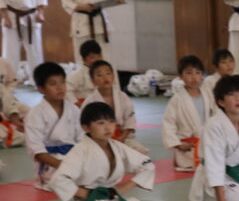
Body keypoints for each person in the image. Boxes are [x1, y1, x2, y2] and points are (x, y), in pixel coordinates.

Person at [49, 102, 167, 201]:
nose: (108, 127)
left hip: (114, 200)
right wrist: (85, 193)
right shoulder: (80, 151)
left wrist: (123, 188)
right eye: (101, 123)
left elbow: (147, 165)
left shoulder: (117, 147)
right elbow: (58, 179)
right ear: (86, 127)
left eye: (111, 122)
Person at [24, 62, 81, 190]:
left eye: (62, 82)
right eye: (53, 84)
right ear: (40, 89)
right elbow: (36, 150)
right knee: (61, 180)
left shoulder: (73, 110)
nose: (60, 87)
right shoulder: (35, 114)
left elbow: (82, 139)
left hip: (73, 156)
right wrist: (62, 164)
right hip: (50, 162)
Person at [81, 60, 148, 155]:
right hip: (99, 141)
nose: (105, 77)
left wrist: (122, 138)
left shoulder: (122, 97)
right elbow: (86, 127)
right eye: (99, 75)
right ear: (93, 81)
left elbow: (130, 120)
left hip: (122, 137)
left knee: (141, 153)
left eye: (108, 73)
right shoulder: (90, 101)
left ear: (113, 76)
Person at [163, 55, 215, 172]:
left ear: (202, 75)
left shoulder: (208, 96)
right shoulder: (177, 100)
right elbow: (168, 123)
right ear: (181, 76)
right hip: (187, 147)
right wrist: (177, 144)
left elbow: (215, 117)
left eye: (198, 73)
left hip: (206, 143)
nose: (194, 77)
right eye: (189, 73)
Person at [202, 48, 239, 114]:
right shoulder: (209, 81)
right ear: (215, 67)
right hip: (218, 115)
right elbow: (210, 104)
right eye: (223, 62)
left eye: (231, 61)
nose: (229, 65)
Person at [66, 40, 104, 105]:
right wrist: (77, 104)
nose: (97, 60)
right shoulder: (77, 75)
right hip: (82, 106)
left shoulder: (104, 73)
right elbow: (67, 91)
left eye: (99, 56)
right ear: (83, 60)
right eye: (92, 57)